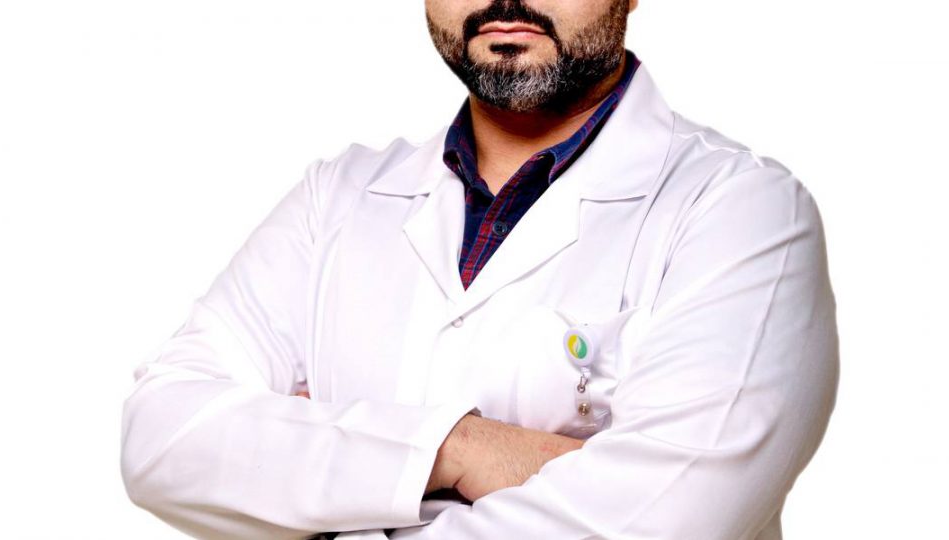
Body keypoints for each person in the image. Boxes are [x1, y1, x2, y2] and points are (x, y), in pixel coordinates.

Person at [120, 0, 839, 538]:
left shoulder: (744, 210)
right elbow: (163, 439)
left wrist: (321, 476)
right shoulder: (334, 197)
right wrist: (460, 447)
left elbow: (671, 521)